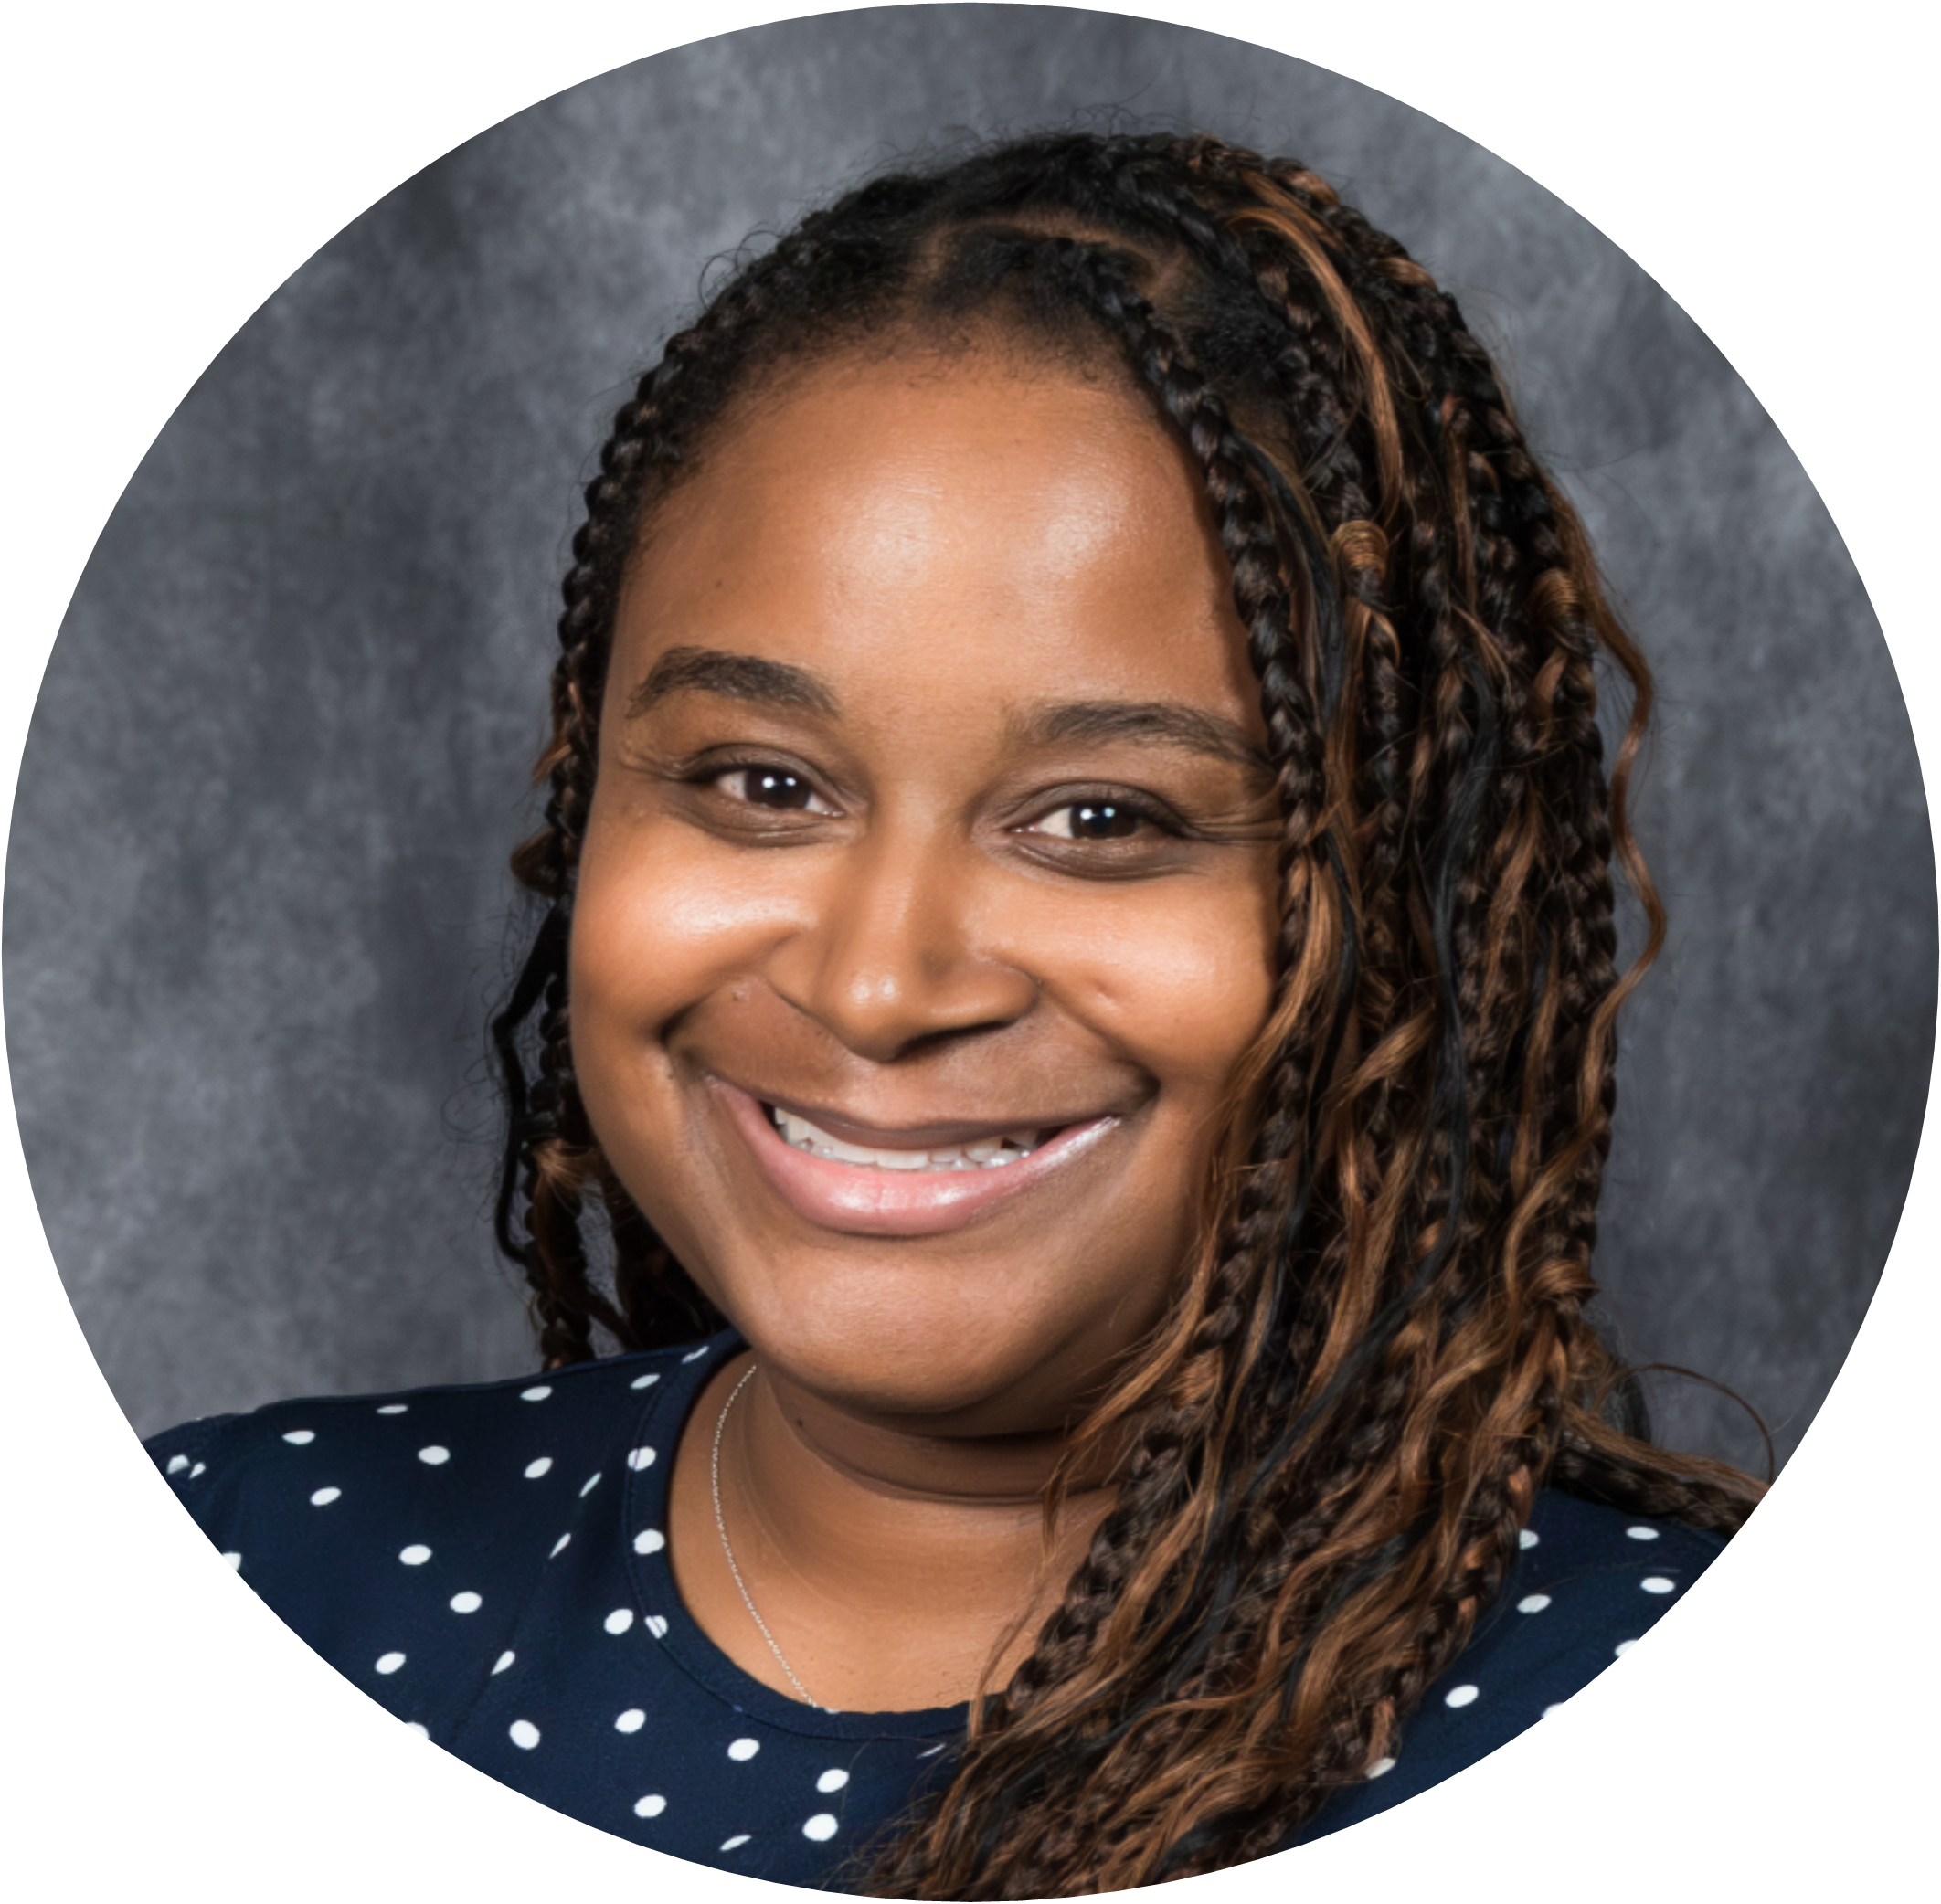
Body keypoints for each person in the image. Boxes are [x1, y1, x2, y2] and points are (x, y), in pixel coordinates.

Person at [144, 128, 1769, 1891]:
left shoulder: (1587, 1667)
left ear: (1411, 920)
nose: (877, 983)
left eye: (1102, 820)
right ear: (580, 795)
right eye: (764, 784)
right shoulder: (267, 1551)